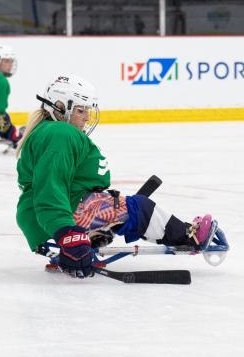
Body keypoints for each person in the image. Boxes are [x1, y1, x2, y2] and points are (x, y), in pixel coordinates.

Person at [15, 74, 217, 278]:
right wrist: (68, 235)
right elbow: (51, 188)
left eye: (87, 110)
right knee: (140, 208)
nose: (86, 117)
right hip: (60, 213)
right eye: (80, 110)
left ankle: (95, 231)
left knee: (124, 207)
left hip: (54, 212)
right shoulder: (61, 134)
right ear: (59, 107)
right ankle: (190, 236)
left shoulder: (54, 132)